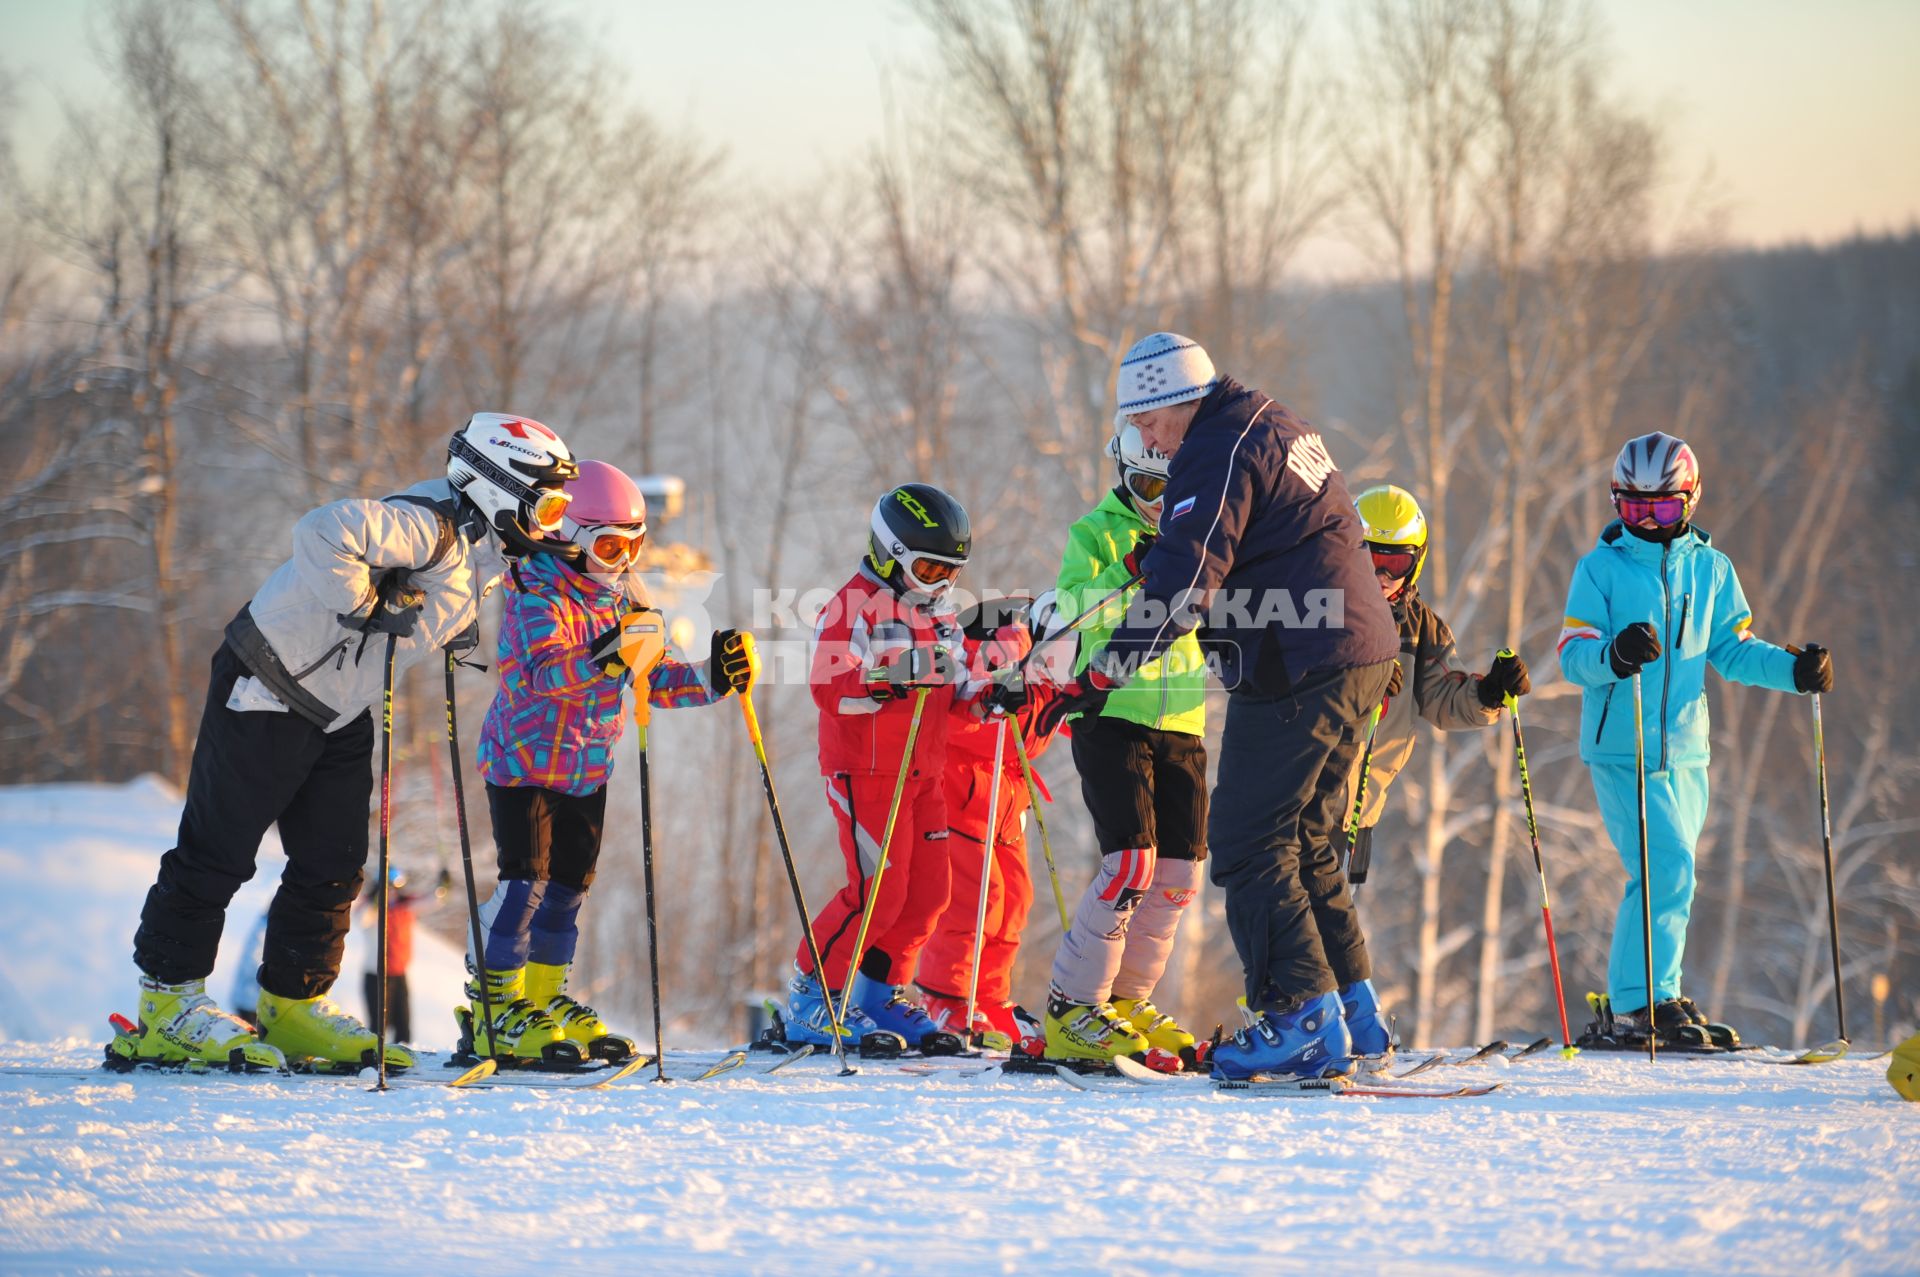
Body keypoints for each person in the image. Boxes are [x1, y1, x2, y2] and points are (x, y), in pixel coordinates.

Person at [118, 413, 578, 1072]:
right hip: (270, 682)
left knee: (334, 864)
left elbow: (440, 617)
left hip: (338, 708)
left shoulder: (482, 547)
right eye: (549, 503)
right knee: (220, 850)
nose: (553, 520)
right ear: (501, 484)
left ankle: (293, 1004)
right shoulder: (429, 522)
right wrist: (364, 603)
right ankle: (167, 1005)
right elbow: (322, 530)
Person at [1042, 333, 1400, 1082]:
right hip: (1357, 649)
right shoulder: (1271, 420)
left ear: (1173, 400)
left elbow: (1183, 586)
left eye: (1145, 422)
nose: (1145, 440)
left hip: (1302, 659)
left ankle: (1299, 1016)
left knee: (1247, 838)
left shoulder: (1216, 444)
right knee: (1305, 836)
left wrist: (1102, 674)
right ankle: (1354, 1013)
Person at [466, 460, 754, 1064]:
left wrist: (715, 677)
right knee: (525, 885)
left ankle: (542, 1000)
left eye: (633, 545)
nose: (621, 559)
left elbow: (658, 680)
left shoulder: (627, 598)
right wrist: (604, 659)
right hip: (523, 763)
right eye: (609, 545)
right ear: (568, 536)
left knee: (568, 890)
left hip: (586, 768)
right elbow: (537, 676)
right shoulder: (534, 591)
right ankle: (496, 1008)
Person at [1559, 431, 1831, 1047]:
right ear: (1616, 502)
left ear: (1691, 499)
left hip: (1685, 751)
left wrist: (1794, 670)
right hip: (1620, 747)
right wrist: (1615, 652)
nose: (1648, 521)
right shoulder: (1599, 569)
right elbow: (1572, 655)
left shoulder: (1711, 569)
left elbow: (1732, 650)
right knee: (1667, 868)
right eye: (1633, 507)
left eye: (1662, 507)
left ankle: (1660, 993)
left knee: (1671, 875)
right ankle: (1635, 1004)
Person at [1330, 484, 1531, 1061]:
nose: (1381, 572)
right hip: (1310, 787)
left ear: (1414, 562)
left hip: (1364, 801)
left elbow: (1442, 698)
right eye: (1369, 556)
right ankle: (1298, 1019)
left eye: (1394, 561)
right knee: (1299, 909)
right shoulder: (1323, 604)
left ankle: (1342, 1025)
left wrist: (1489, 692)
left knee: (1339, 913)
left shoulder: (1420, 627)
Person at [1038, 418, 1212, 1069]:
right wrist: (1133, 569)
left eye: (1172, 487)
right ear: (1123, 474)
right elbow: (1073, 605)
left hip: (1183, 720)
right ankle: (1074, 1006)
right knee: (1132, 862)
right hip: (1111, 710)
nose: (1159, 502)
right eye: (1145, 484)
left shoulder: (1200, 535)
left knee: (1178, 874)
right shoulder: (1096, 532)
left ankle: (1127, 1000)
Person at [785, 483, 982, 1056]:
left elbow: (957, 685)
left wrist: (992, 695)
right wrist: (889, 677)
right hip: (866, 771)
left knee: (928, 894)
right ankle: (811, 997)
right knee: (876, 892)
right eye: (927, 568)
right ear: (889, 553)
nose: (941, 584)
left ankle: (878, 993)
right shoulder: (851, 605)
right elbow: (829, 685)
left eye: (951, 573)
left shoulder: (939, 614)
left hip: (922, 773)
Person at [913, 594, 1062, 1049]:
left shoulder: (1057, 650)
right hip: (966, 783)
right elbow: (959, 709)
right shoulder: (1004, 636)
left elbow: (1044, 713)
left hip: (1007, 785)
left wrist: (1078, 703)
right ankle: (946, 997)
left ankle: (989, 995)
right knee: (974, 895)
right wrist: (997, 695)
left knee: (1014, 898)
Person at [358, 865, 450, 1043]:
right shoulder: (371, 909)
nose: (391, 893)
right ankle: (376, 1059)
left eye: (394, 889)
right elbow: (362, 919)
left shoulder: (405, 906)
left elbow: (434, 899)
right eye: (387, 889)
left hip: (399, 974)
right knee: (379, 1026)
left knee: (403, 1024)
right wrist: (377, 900)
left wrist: (443, 883)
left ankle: (403, 1057)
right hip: (376, 976)